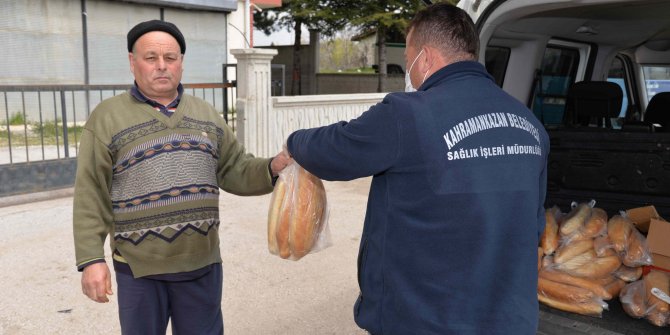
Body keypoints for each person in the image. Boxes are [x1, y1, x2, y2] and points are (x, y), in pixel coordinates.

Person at [286, 3, 549, 335]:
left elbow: (336, 149)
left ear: (425, 58)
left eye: (408, 59)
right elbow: (533, 224)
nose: (408, 70)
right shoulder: (531, 126)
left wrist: (294, 142)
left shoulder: (408, 116)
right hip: (510, 323)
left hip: (425, 321)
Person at [72, 20, 290, 334]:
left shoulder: (207, 115)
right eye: (151, 58)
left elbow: (236, 169)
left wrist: (274, 166)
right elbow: (91, 192)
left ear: (181, 64)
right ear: (133, 63)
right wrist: (91, 259)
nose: (162, 66)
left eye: (170, 58)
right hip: (139, 270)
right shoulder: (107, 118)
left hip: (202, 266)